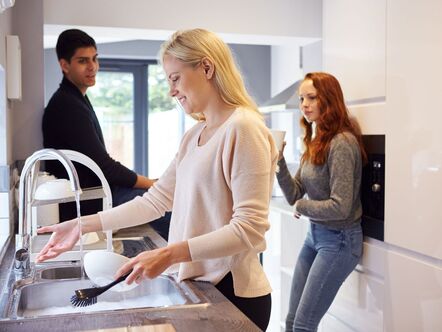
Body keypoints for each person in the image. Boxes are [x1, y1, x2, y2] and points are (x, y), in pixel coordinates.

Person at [37, 28, 278, 331]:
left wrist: (168, 253)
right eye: (169, 80)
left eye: (175, 78)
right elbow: (156, 200)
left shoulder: (244, 128)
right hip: (199, 286)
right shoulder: (194, 136)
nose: (172, 90)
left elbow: (249, 229)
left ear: (206, 67)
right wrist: (82, 224)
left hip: (234, 294)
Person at [42, 29, 170, 240]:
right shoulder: (67, 106)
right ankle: (189, 258)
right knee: (159, 201)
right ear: (65, 65)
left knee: (157, 195)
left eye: (94, 59)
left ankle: (186, 255)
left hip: (96, 192)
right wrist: (151, 183)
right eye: (83, 61)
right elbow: (105, 167)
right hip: (88, 200)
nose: (92, 67)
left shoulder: (74, 99)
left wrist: (152, 182)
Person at [276, 72, 367, 332]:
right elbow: (294, 193)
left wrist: (302, 208)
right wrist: (278, 161)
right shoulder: (316, 141)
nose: (304, 104)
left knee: (304, 325)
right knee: (292, 321)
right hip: (315, 236)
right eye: (302, 98)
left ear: (329, 99)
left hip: (340, 241)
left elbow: (340, 206)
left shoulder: (341, 143)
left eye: (311, 97)